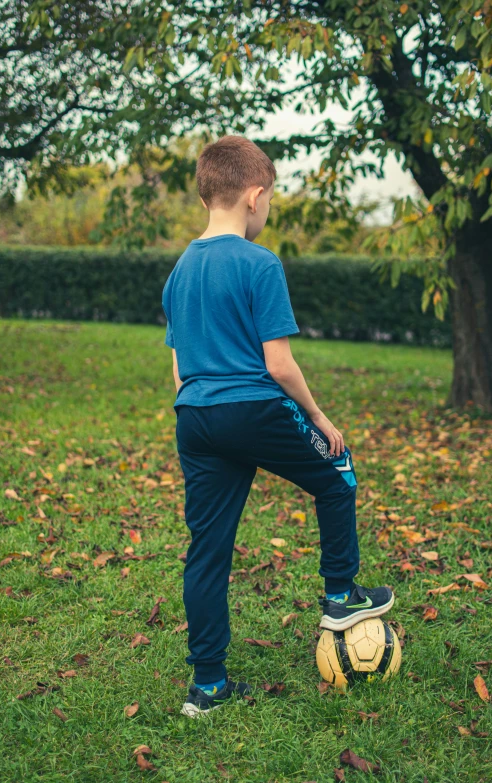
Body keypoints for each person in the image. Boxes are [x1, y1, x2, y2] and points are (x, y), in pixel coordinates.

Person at [161, 136, 394, 718]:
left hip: (195, 416)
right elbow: (278, 364)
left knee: (208, 551)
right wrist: (317, 416)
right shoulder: (259, 262)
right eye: (270, 201)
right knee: (337, 476)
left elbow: (178, 369)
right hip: (254, 409)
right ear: (254, 196)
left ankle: (207, 687)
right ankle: (341, 596)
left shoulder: (179, 272)